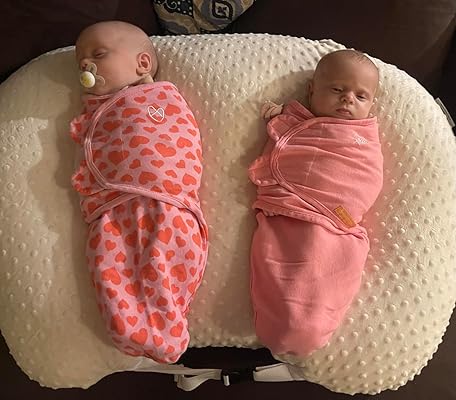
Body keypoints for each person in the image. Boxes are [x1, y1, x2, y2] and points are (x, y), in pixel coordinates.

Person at [69, 21, 208, 364]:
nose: (86, 64)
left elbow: (180, 133)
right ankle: (128, 331)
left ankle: (169, 331)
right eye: (81, 60)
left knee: (166, 268)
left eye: (98, 54)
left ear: (142, 64)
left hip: (168, 203)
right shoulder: (99, 111)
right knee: (107, 268)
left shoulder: (160, 99)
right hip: (114, 210)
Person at [249, 49, 383, 357]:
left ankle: (311, 327)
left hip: (337, 225)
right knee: (282, 270)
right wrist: (281, 114)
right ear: (312, 90)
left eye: (361, 96)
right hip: (289, 214)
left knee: (325, 272)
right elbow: (289, 127)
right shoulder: (297, 120)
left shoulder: (363, 137)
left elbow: (368, 174)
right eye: (337, 89)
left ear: (371, 104)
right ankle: (284, 325)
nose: (348, 99)